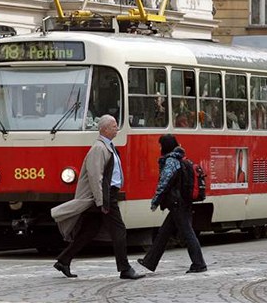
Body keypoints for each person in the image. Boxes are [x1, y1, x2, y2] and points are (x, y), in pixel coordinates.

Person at [51, 115, 144, 280]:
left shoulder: (107, 146)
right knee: (119, 231)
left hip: (106, 195)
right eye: (114, 126)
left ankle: (64, 260)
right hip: (105, 196)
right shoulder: (99, 148)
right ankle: (125, 269)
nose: (117, 128)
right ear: (105, 129)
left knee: (89, 231)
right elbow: (96, 177)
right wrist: (102, 202)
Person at [137, 134, 207, 274]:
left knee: (187, 232)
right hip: (182, 201)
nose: (160, 148)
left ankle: (199, 263)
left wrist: (155, 201)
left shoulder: (171, 161)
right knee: (164, 233)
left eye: (161, 145)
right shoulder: (179, 158)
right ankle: (150, 261)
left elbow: (164, 182)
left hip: (177, 203)